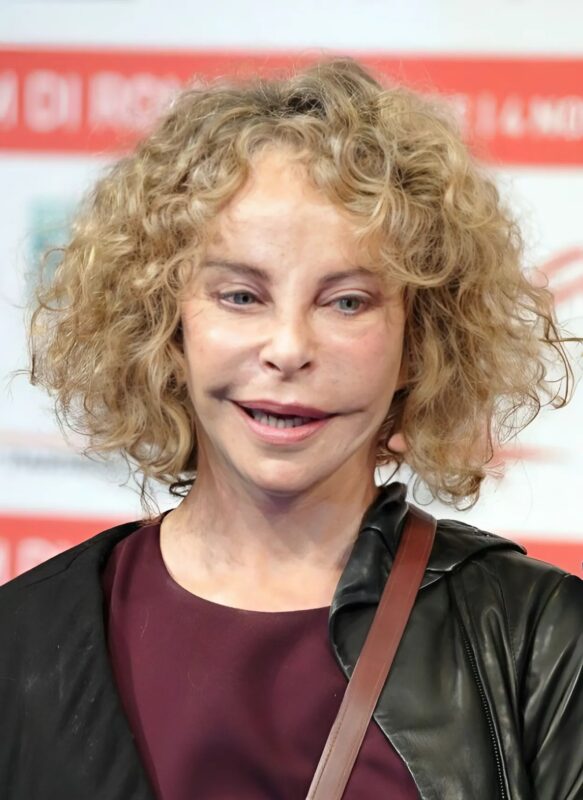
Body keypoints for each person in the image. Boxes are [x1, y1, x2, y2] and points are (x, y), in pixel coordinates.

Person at [0, 57, 581, 800]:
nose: (288, 348)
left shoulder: (538, 642)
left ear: (420, 340)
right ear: (166, 324)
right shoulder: (24, 637)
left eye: (346, 302)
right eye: (241, 296)